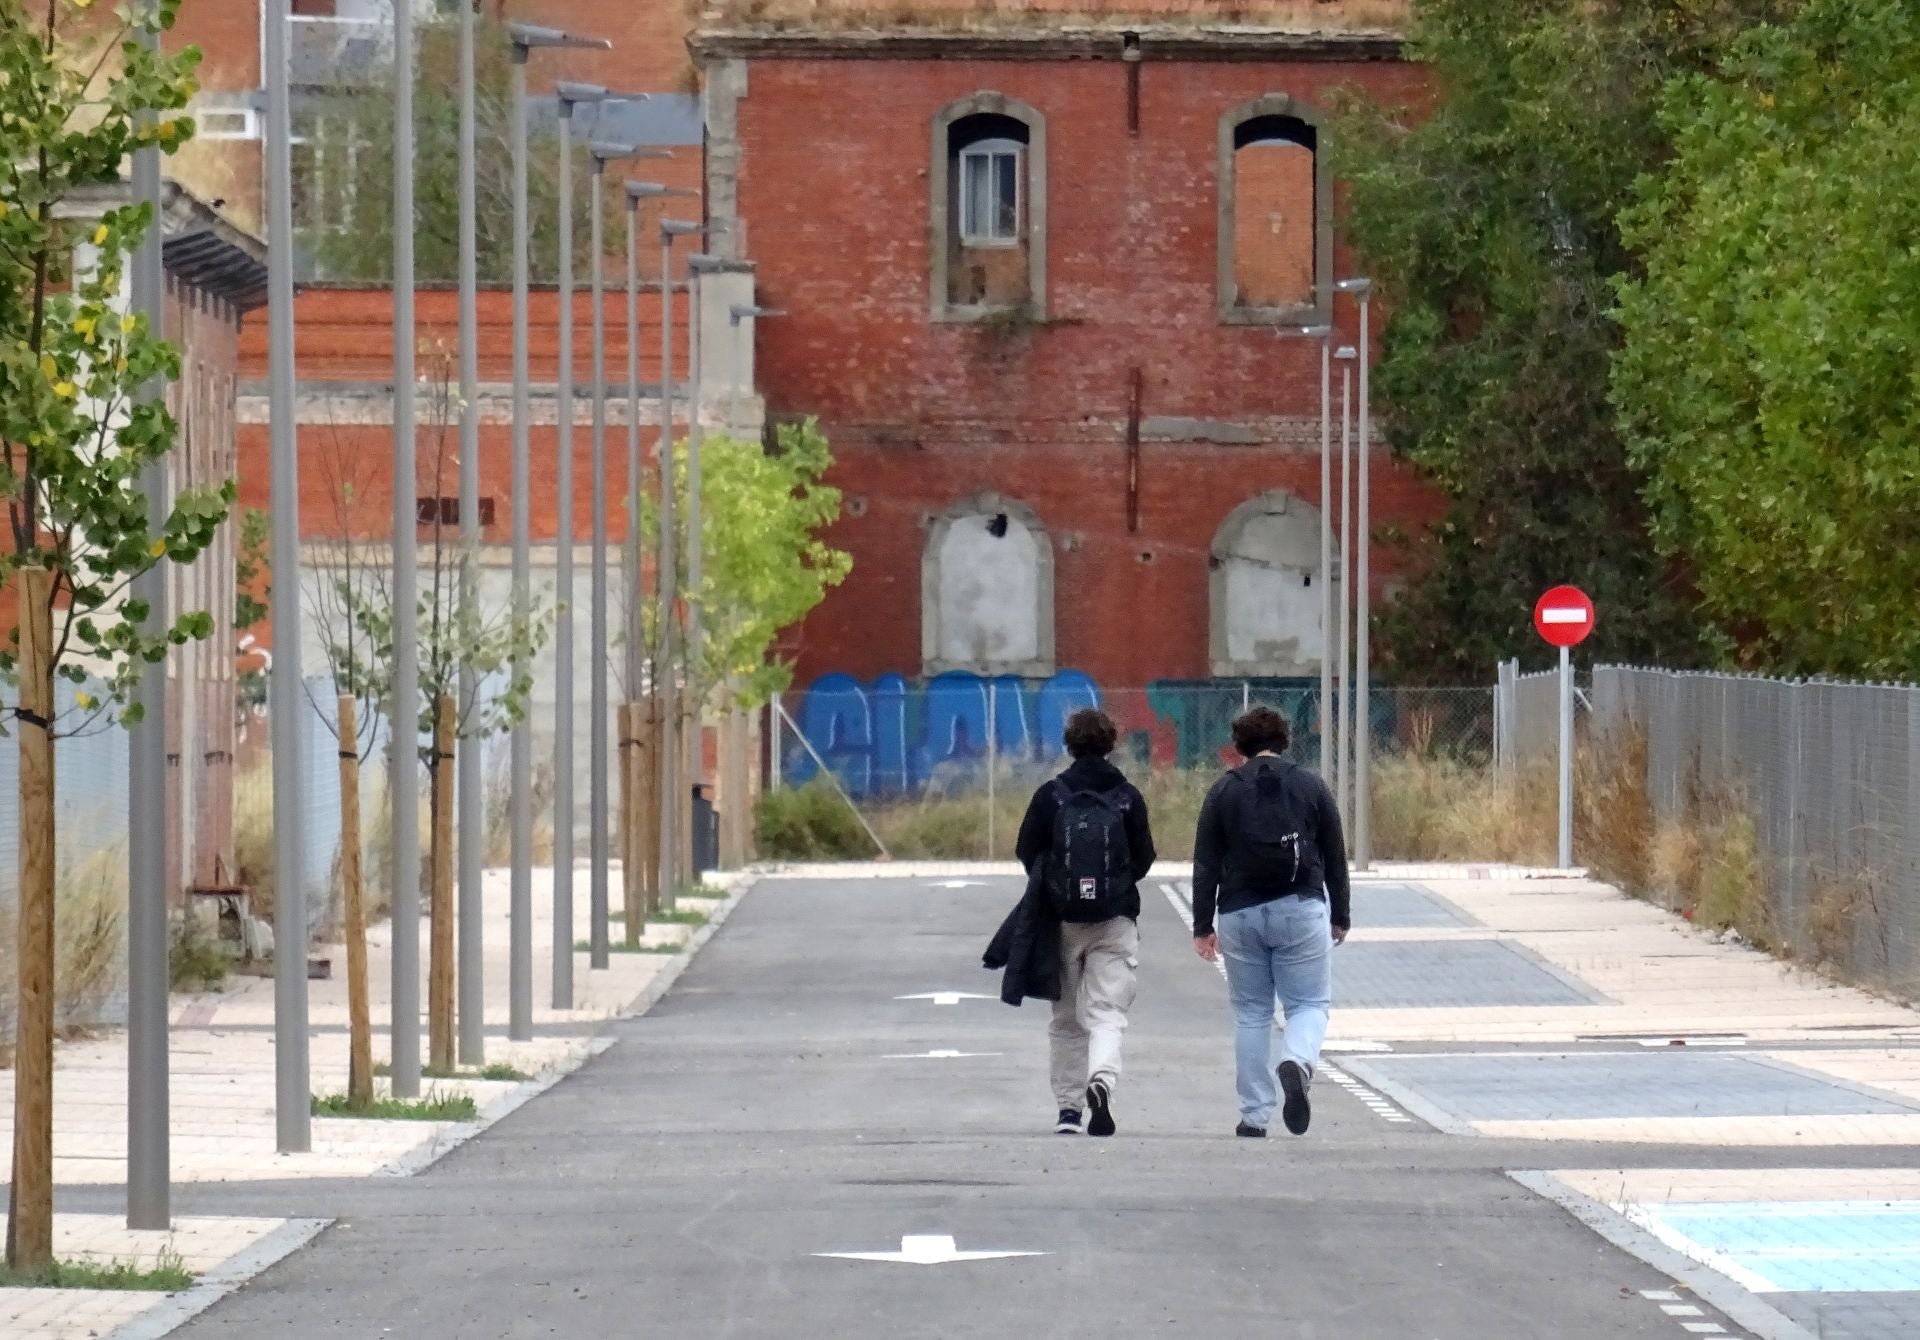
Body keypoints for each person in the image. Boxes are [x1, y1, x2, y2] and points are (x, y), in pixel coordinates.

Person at [1191, 706, 1349, 1138]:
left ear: (1238, 745)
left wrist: (1202, 924)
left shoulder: (1223, 791)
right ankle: (1297, 1062)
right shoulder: (1310, 785)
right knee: (1309, 1004)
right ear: (1285, 741)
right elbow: (1335, 853)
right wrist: (1340, 915)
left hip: (1240, 913)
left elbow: (1205, 862)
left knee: (1251, 1013)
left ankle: (1254, 1115)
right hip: (1301, 906)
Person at [1010, 707, 1155, 1137]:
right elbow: (1144, 857)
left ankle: (1068, 1111)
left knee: (1066, 1018)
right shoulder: (1127, 796)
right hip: (1116, 918)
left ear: (1069, 744)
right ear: (1111, 743)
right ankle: (1102, 1081)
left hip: (1063, 919)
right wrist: (1113, 885)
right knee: (1107, 1012)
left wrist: (1059, 886)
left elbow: (1026, 850)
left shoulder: (1051, 795)